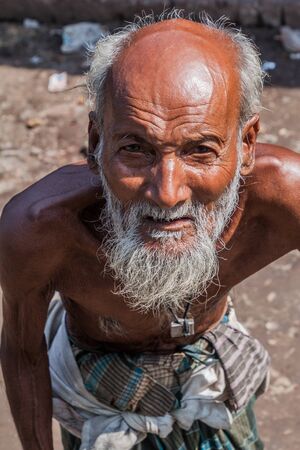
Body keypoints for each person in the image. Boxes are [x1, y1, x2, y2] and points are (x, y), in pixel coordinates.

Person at [1, 12, 299, 450]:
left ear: (247, 144)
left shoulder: (285, 199)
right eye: (135, 149)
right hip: (95, 387)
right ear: (97, 140)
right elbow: (24, 352)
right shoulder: (41, 231)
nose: (167, 193)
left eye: (200, 151)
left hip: (208, 367)